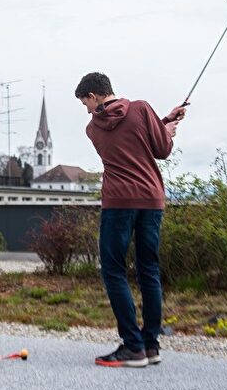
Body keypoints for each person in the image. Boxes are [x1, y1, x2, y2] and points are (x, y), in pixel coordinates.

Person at [74, 72, 185, 368]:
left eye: (85, 102)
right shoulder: (142, 108)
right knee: (149, 269)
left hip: (118, 202)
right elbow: (160, 149)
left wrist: (163, 125)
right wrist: (167, 127)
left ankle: (132, 347)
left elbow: (127, 141)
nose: (86, 109)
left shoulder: (93, 128)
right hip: (150, 200)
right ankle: (150, 346)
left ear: (95, 96)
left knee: (113, 270)